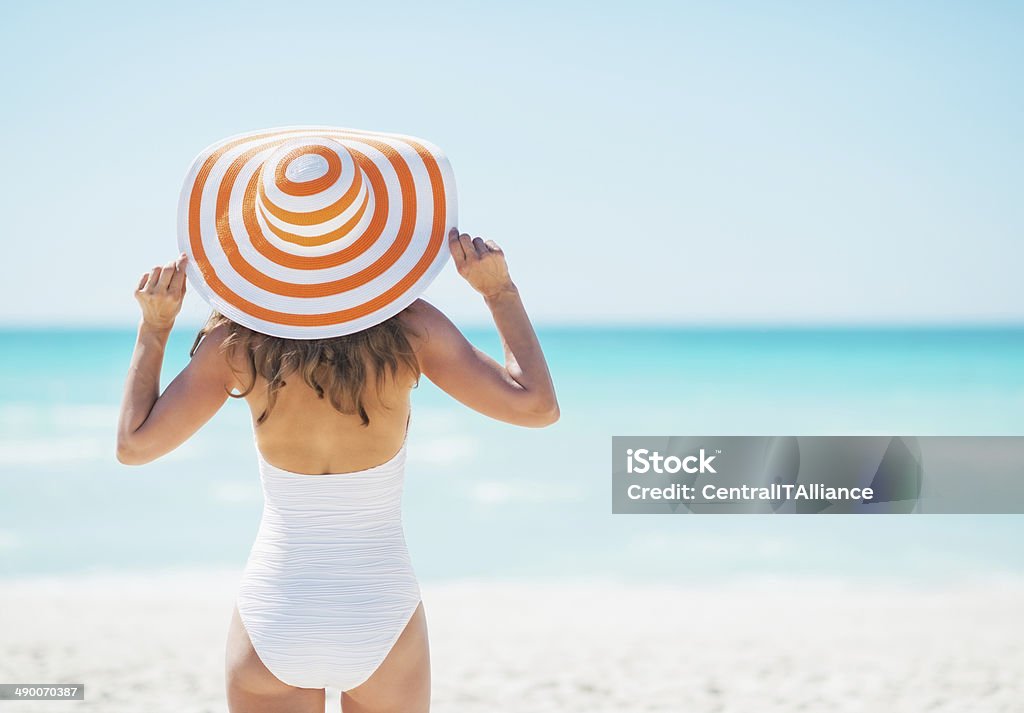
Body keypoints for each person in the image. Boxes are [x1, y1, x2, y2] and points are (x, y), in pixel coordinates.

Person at [116, 227, 559, 713]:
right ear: (365, 246)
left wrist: (155, 328)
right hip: (379, 608)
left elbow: (135, 446)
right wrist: (499, 292)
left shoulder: (240, 342)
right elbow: (536, 408)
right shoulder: (410, 329)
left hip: (276, 610)